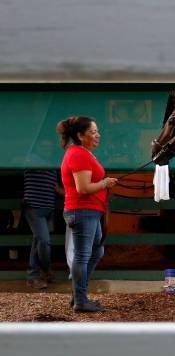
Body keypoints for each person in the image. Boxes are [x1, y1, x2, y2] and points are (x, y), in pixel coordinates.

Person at [58, 116, 117, 312]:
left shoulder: (82, 153)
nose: (97, 135)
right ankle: (81, 300)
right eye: (92, 132)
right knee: (83, 255)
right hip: (83, 211)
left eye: (97, 131)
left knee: (96, 251)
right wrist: (104, 183)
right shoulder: (79, 155)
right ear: (80, 135)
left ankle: (78, 294)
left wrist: (104, 183)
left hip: (88, 211)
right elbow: (83, 188)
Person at [23, 169, 64, 289]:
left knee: (38, 241)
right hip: (33, 207)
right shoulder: (31, 159)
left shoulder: (53, 166)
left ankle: (33, 276)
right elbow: (18, 159)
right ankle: (46, 270)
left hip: (48, 209)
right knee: (44, 241)